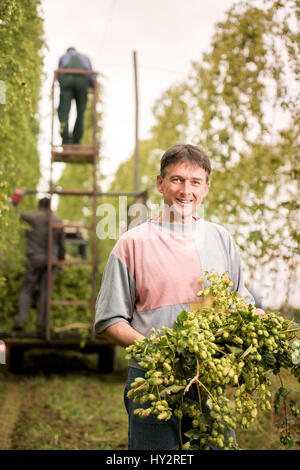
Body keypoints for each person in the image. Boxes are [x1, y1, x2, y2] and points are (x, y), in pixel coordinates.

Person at [94, 143, 264, 450]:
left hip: (207, 381)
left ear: (206, 187)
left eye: (195, 182)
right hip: (152, 382)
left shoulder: (221, 239)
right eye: (177, 180)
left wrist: (256, 319)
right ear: (160, 184)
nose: (186, 190)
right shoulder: (132, 244)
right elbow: (109, 320)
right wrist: (154, 348)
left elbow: (241, 304)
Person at [13, 197, 65, 332]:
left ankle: (20, 320)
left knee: (26, 289)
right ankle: (42, 324)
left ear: (38, 205)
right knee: (46, 292)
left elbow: (14, 212)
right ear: (50, 206)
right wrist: (61, 260)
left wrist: (16, 198)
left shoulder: (32, 216)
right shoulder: (57, 220)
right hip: (51, 261)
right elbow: (62, 245)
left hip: (34, 259)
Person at [57, 47, 95, 145]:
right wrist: (92, 85)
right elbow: (92, 78)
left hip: (67, 81)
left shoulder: (63, 57)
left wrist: (62, 83)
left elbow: (58, 75)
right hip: (82, 82)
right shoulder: (85, 57)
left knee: (64, 111)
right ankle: (76, 141)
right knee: (81, 112)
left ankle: (65, 139)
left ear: (68, 51)